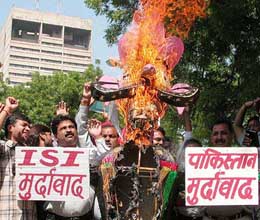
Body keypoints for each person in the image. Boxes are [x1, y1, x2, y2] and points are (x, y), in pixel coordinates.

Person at [202, 119, 252, 220]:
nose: (219, 137)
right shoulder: (199, 162)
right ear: (212, 138)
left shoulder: (245, 159)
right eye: (215, 134)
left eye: (223, 133)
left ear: (232, 136)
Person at [0, 97, 37, 220]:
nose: (28, 129)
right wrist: (7, 110)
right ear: (10, 128)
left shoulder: (35, 155)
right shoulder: (4, 148)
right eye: (24, 125)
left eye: (29, 126)